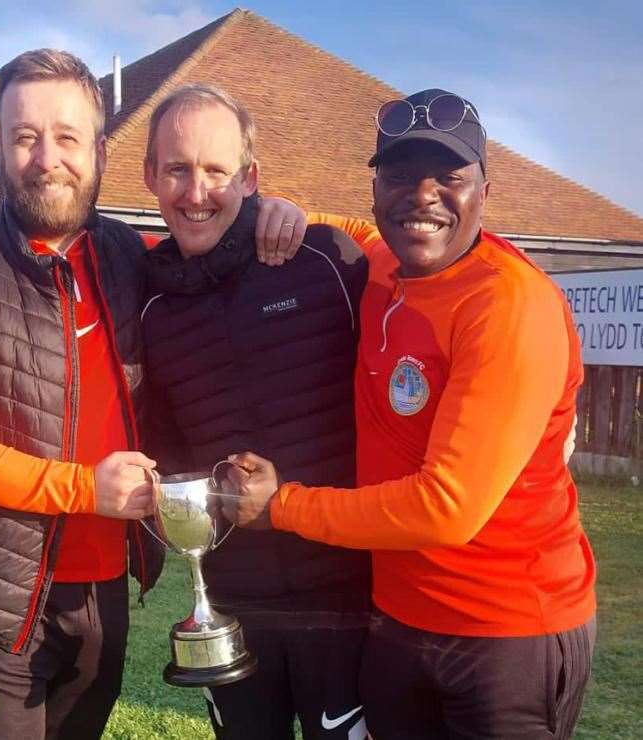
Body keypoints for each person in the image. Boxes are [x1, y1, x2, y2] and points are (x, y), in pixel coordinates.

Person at [0, 50, 303, 740]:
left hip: (100, 593)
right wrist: (83, 489)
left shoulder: (131, 257)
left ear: (100, 151)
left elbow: (211, 231)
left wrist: (276, 211)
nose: (45, 157)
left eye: (66, 136)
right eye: (24, 137)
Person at [224, 89, 597, 739]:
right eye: (398, 176)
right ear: (375, 187)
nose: (421, 195)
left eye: (449, 177)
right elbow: (351, 230)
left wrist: (280, 506)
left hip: (504, 633)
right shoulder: (384, 264)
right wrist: (277, 211)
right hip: (396, 622)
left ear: (485, 188)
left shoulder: (507, 305)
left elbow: (444, 508)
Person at [141, 84, 371, 740]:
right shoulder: (145, 298)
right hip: (231, 601)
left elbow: (432, 263)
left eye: (216, 171)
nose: (195, 192)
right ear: (150, 175)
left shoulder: (327, 259)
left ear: (250, 178)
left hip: (347, 598)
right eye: (178, 169)